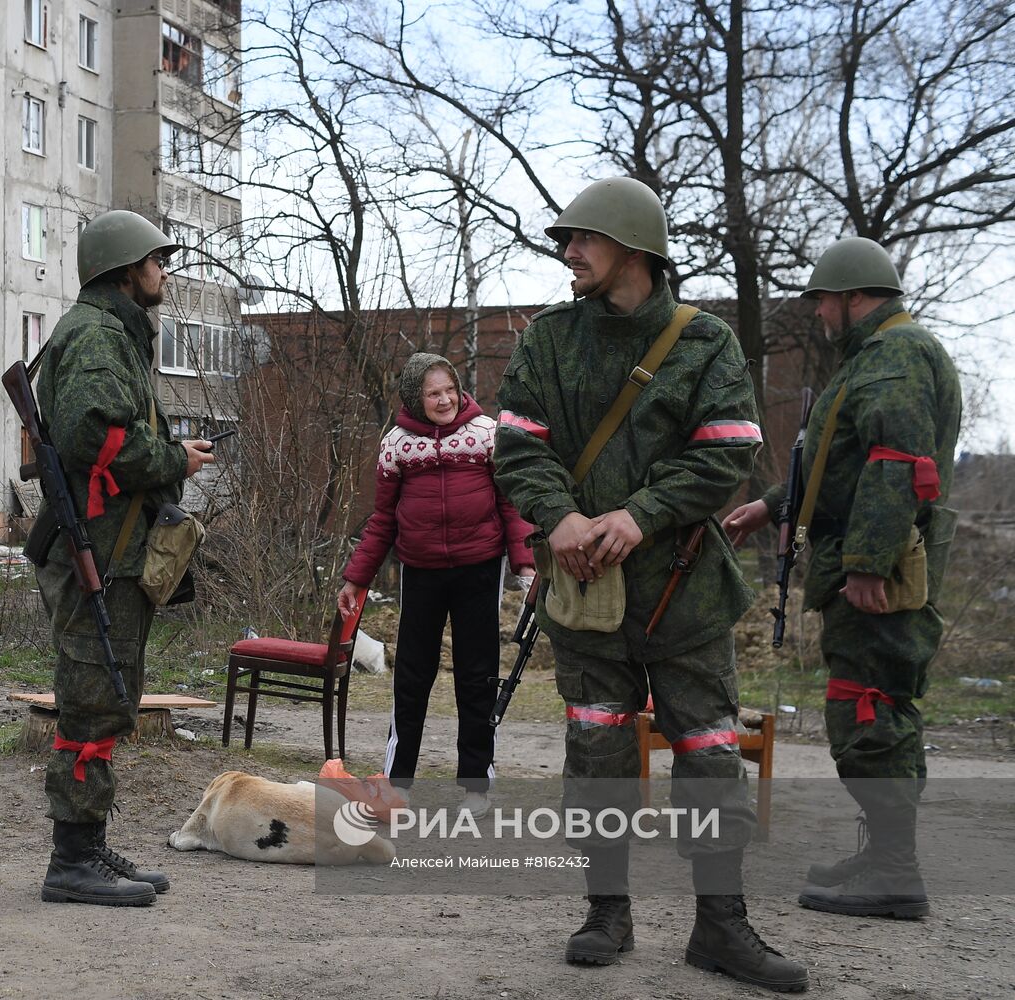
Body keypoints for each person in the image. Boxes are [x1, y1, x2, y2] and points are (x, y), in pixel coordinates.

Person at [493, 177, 806, 991]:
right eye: (566, 241)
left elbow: (729, 450)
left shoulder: (705, 342)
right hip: (585, 589)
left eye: (583, 239)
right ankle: (607, 910)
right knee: (597, 748)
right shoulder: (549, 340)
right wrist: (560, 516)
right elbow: (518, 445)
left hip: (683, 589)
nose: (569, 252)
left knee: (708, 752)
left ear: (634, 246)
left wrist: (641, 514)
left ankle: (721, 924)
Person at [724, 236, 960, 920]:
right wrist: (772, 505)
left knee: (869, 708)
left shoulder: (895, 355)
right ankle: (885, 855)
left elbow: (896, 463)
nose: (819, 313)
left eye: (824, 300)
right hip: (872, 559)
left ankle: (894, 872)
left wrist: (865, 563)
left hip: (879, 572)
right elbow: (839, 461)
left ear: (856, 296)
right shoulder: (877, 355)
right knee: (873, 703)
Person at [33, 210, 217, 906]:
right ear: (124, 268)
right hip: (101, 550)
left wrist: (171, 455)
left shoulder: (112, 333)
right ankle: (71, 862)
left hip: (113, 547)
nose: (163, 272)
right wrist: (173, 459)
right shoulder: (99, 336)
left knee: (106, 700)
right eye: (155, 261)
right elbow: (94, 438)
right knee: (91, 701)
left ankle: (88, 847)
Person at [338, 352, 535, 818]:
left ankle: (476, 786)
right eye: (433, 393)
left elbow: (510, 506)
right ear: (415, 397)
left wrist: (525, 566)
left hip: (479, 569)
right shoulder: (396, 444)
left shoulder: (486, 434)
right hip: (421, 571)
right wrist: (356, 578)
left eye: (449, 389)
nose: (444, 399)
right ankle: (398, 783)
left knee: (477, 677)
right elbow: (383, 519)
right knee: (412, 676)